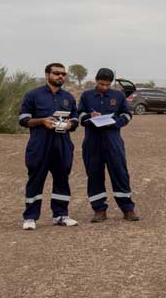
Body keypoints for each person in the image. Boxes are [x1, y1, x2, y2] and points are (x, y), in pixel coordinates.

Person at [17, 62, 80, 230]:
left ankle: (61, 215)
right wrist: (42, 121)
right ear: (47, 75)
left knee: (62, 179)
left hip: (63, 144)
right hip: (40, 144)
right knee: (35, 179)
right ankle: (30, 217)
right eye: (56, 73)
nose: (60, 76)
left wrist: (70, 124)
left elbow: (76, 119)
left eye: (63, 74)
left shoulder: (68, 97)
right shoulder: (33, 95)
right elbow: (23, 120)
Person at [77, 67, 138, 222]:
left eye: (107, 85)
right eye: (101, 84)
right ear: (96, 80)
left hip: (113, 142)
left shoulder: (118, 96)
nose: (104, 87)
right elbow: (80, 115)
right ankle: (99, 210)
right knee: (94, 175)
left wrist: (114, 122)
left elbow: (127, 114)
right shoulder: (86, 96)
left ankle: (128, 209)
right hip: (92, 142)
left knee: (120, 174)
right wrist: (90, 117)